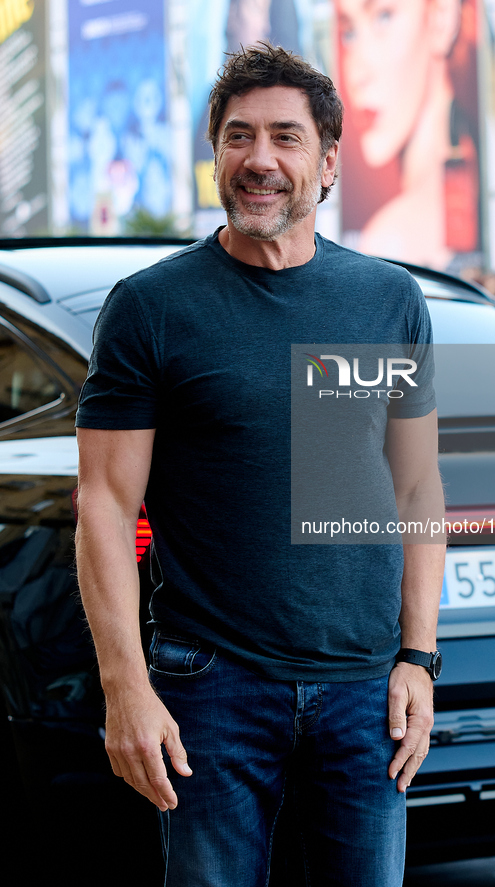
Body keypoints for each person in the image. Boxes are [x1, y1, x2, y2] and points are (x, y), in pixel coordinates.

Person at [75, 42, 446, 887]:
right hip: (210, 685)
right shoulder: (152, 308)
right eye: (238, 137)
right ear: (215, 155)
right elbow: (102, 500)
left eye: (285, 137)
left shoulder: (387, 300)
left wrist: (417, 658)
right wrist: (125, 688)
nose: (260, 160)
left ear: (326, 163)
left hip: (365, 692)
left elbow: (415, 484)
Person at [337, 0, 479, 268]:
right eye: (349, 33)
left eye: (384, 17)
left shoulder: (389, 240)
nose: (357, 74)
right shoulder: (472, 172)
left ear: (441, 17)